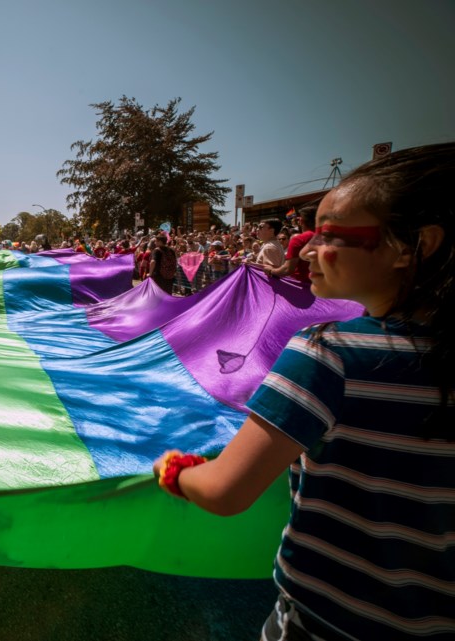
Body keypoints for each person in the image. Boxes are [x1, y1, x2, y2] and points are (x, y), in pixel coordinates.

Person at [153, 143, 455, 640]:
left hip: (323, 623)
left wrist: (175, 472)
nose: (307, 250)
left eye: (332, 236)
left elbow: (226, 490)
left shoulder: (328, 356)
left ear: (415, 245)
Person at [265, 205, 316, 282]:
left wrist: (271, 270)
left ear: (301, 221)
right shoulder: (331, 237)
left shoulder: (299, 239)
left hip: (303, 287)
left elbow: (287, 269)